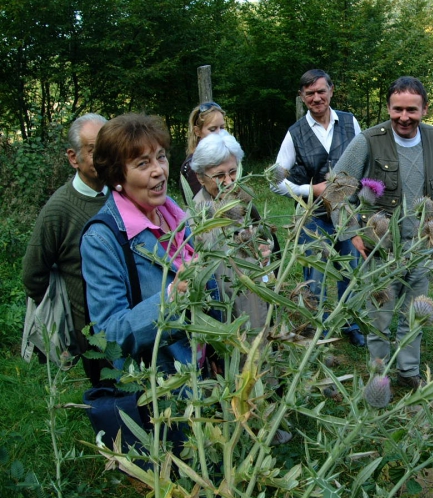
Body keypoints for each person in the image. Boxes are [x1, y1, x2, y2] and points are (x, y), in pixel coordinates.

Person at [332, 76, 433, 388]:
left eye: (411, 110)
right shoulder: (368, 140)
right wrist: (352, 233)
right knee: (379, 317)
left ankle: (409, 372)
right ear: (388, 107)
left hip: (420, 249)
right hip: (381, 252)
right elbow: (337, 189)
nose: (404, 117)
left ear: (424, 109)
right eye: (397, 109)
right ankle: (378, 376)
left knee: (415, 315)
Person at [81, 113, 202, 374]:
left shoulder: (176, 214)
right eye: (142, 163)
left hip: (204, 372)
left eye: (160, 156)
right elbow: (110, 336)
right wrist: (172, 297)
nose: (159, 170)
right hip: (161, 388)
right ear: (117, 176)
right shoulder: (102, 239)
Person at [271, 69, 365, 347]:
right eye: (309, 93)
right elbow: (275, 182)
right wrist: (310, 190)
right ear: (302, 97)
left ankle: (351, 323)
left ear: (331, 91)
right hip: (312, 216)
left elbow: (362, 163)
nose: (316, 98)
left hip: (348, 213)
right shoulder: (294, 133)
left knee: (351, 268)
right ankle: (318, 326)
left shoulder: (350, 123)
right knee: (315, 273)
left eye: (321, 91)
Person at [22, 113, 108, 370]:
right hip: (94, 337)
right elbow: (33, 275)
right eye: (94, 151)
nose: (104, 157)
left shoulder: (123, 192)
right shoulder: (58, 210)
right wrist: (69, 310)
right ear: (74, 157)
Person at [191, 130, 276, 331]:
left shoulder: (243, 197)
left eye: (233, 172)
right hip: (226, 316)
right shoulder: (197, 217)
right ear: (201, 177)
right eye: (219, 175)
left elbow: (266, 235)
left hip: (256, 301)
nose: (229, 181)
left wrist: (265, 252)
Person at [180, 101, 227, 201]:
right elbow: (203, 207)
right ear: (197, 131)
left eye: (222, 128)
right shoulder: (193, 166)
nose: (220, 133)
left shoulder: (222, 159)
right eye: (213, 129)